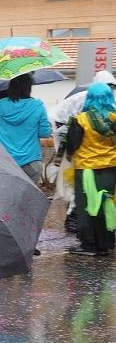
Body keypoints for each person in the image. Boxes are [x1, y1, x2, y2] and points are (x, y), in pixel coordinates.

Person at [65, 82, 116, 257]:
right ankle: (106, 241)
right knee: (106, 202)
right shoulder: (114, 117)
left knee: (86, 205)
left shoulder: (81, 119)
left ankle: (89, 244)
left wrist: (68, 154)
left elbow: (72, 144)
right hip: (110, 168)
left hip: (86, 169)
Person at [0, 73, 52, 182]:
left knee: (6, 195)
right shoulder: (37, 106)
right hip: (31, 160)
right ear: (29, 87)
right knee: (29, 197)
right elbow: (44, 133)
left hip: (4, 158)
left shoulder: (0, 105)